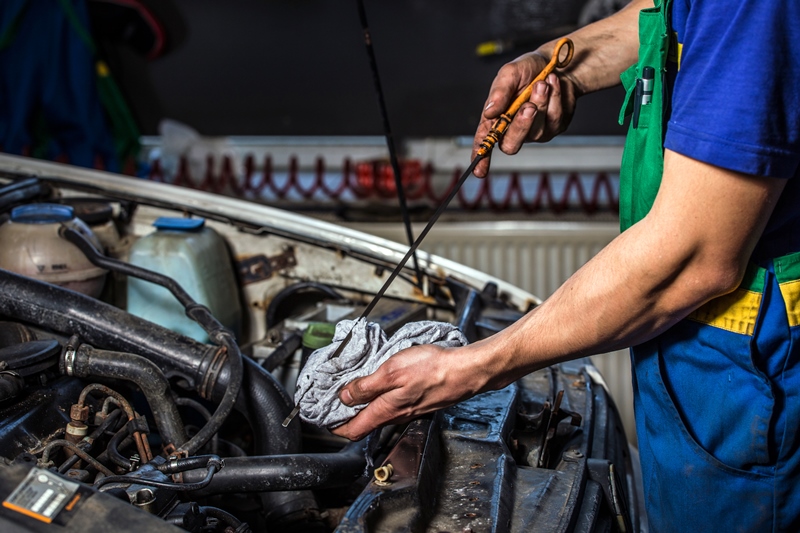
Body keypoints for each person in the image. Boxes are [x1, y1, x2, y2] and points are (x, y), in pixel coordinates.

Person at [332, 0, 800, 530]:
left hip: (756, 376)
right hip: (695, 356)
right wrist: (562, 65)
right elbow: (669, 13)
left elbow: (694, 256)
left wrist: (468, 369)